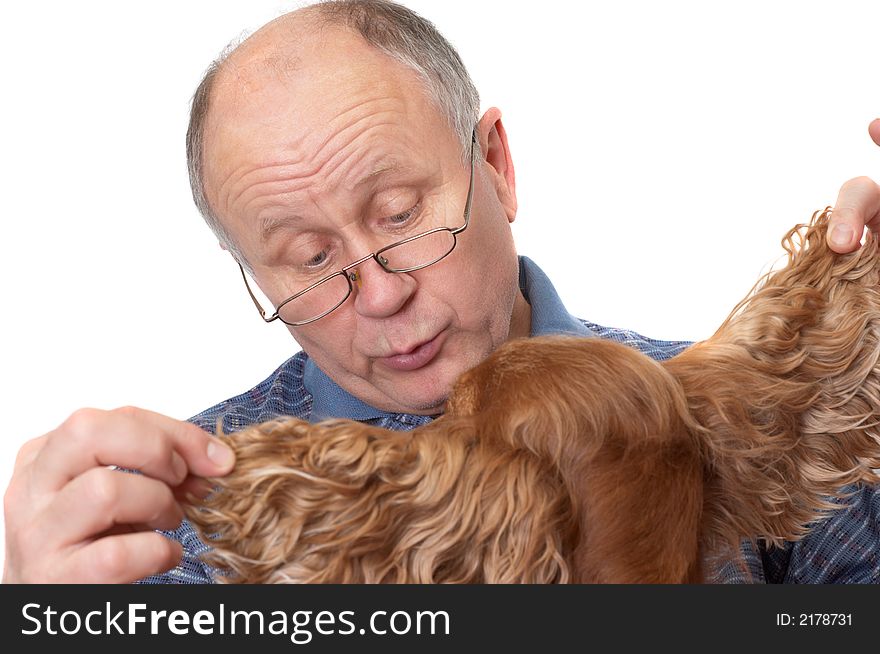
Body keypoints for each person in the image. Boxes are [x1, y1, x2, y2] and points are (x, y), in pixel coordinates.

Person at [4, 0, 880, 584]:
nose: (377, 295)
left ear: (495, 165)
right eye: (308, 257)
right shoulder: (177, 517)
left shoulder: (764, 417)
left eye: (398, 213)